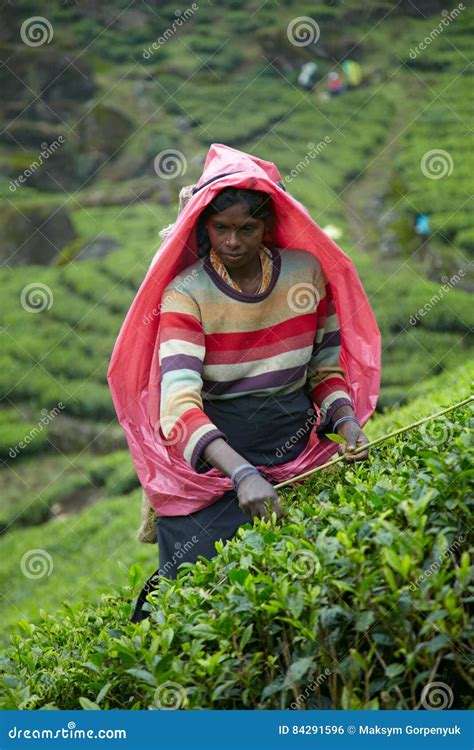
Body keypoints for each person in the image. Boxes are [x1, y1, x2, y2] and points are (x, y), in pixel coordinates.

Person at [129, 184, 370, 622]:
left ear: (268, 226)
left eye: (247, 227)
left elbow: (324, 371)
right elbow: (178, 407)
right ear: (205, 226)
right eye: (221, 228)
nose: (233, 241)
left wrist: (347, 421)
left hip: (294, 450)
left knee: (306, 600)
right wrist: (242, 475)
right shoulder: (186, 293)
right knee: (200, 602)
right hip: (215, 461)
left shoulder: (306, 274)